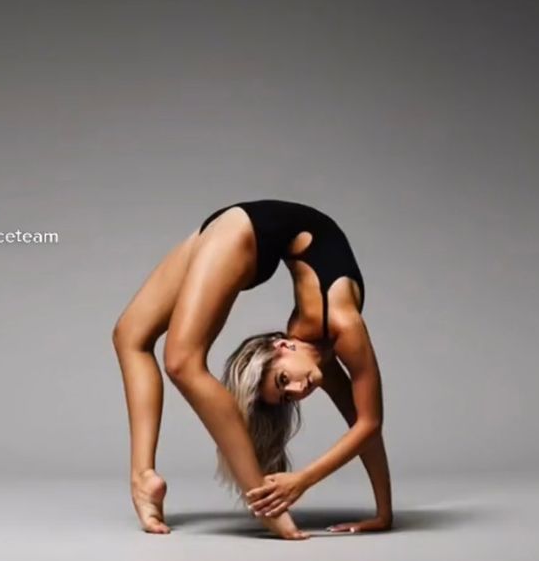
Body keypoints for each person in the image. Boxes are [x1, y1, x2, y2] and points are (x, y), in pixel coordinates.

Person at [112, 199, 393, 541]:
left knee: (137, 338)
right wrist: (301, 482)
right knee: (167, 354)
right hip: (243, 228)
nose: (297, 392)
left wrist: (383, 513)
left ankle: (144, 478)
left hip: (232, 226)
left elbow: (363, 425)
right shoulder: (343, 324)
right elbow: (370, 423)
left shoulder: (318, 360)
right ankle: (261, 501)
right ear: (283, 344)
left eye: (286, 394)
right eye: (283, 381)